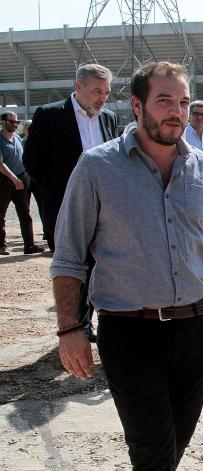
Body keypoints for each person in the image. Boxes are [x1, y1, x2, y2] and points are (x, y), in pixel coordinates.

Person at [50, 61, 203, 471]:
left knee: (172, 445)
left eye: (183, 102)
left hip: (197, 329)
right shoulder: (98, 167)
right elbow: (68, 256)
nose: (177, 113)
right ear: (136, 105)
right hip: (130, 333)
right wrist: (71, 330)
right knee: (152, 452)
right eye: (164, 102)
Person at [24, 63, 118, 341]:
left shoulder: (108, 118)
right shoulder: (50, 115)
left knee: (100, 265)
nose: (102, 98)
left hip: (104, 208)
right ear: (79, 87)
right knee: (73, 267)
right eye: (97, 91)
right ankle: (74, 326)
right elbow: (33, 162)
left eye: (106, 92)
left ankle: (91, 322)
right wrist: (59, 194)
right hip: (66, 207)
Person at [1, 111, 43, 255]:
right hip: (4, 181)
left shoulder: (17, 138)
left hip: (21, 179)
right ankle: (1, 245)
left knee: (25, 213)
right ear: (3, 122)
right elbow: (0, 164)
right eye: (11, 122)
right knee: (1, 214)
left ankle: (29, 245)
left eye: (16, 122)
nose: (14, 124)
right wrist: (13, 178)